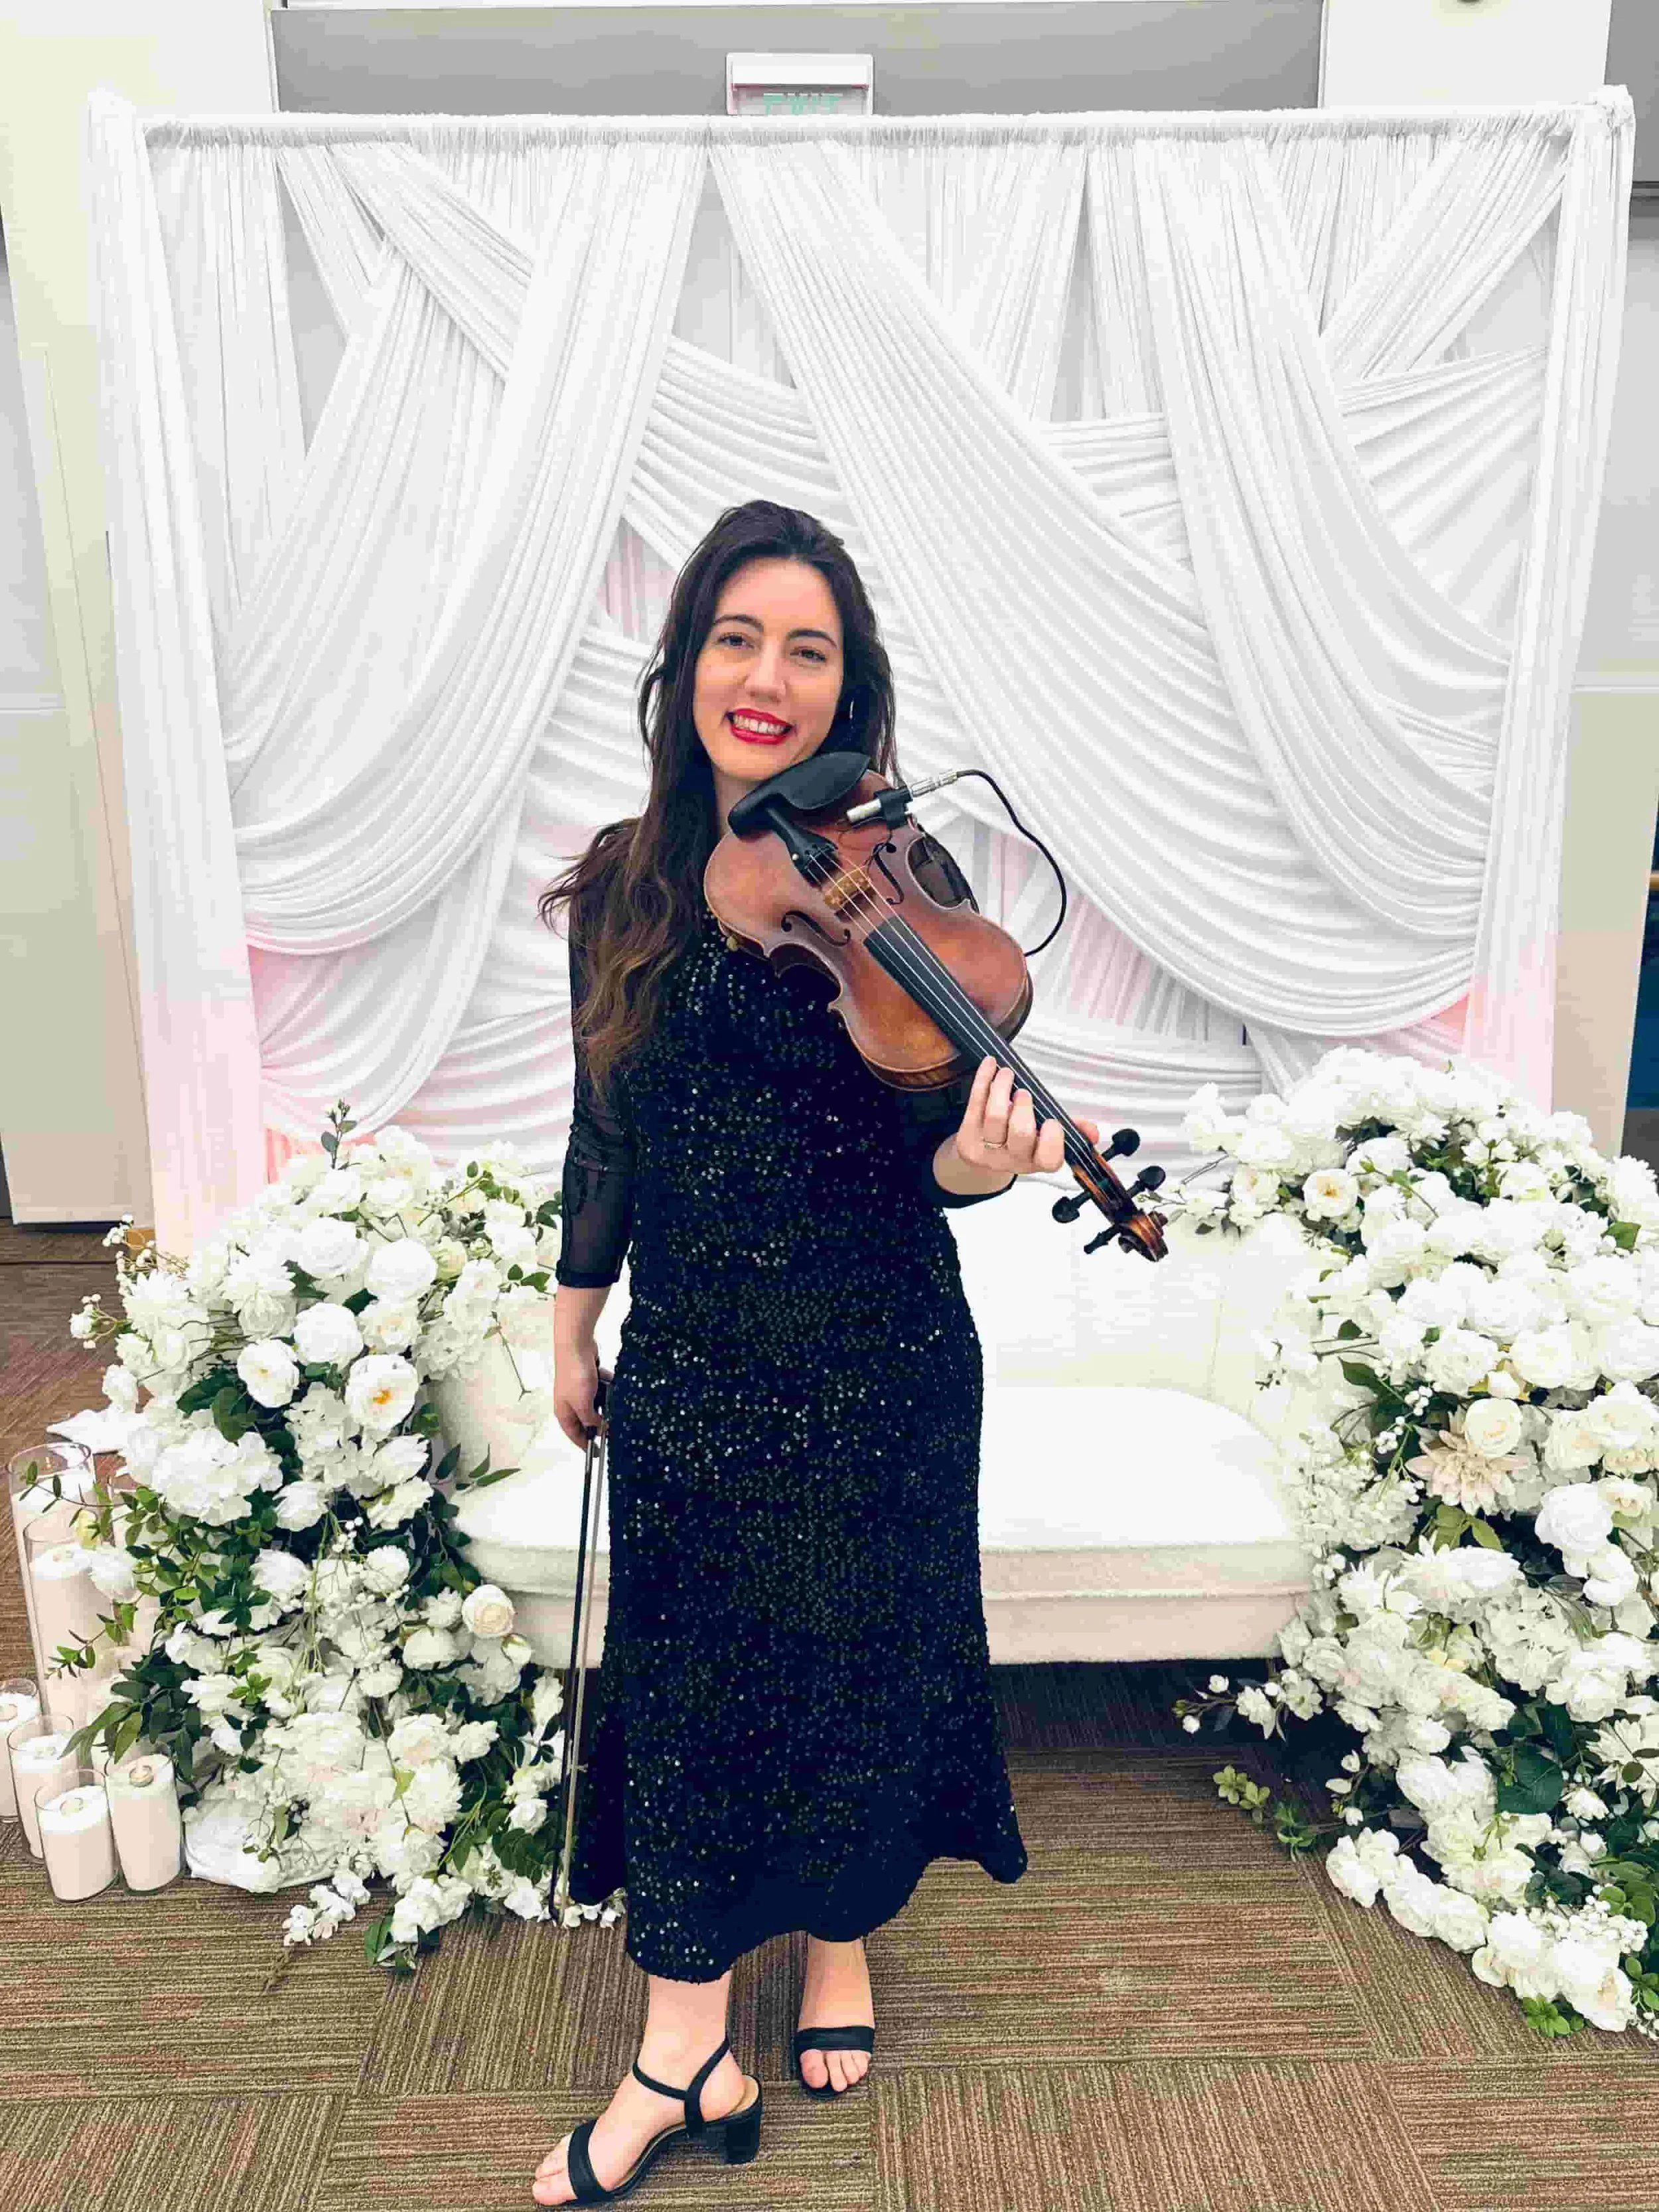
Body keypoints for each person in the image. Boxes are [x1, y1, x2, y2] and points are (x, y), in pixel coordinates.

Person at [532, 500, 1100, 2205]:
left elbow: (919, 1145)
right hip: (699, 1357)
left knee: (859, 1668)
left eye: (807, 648)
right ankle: (688, 2040)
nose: (765, 678)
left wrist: (985, 1159)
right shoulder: (622, 888)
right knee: (698, 1692)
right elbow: (601, 1125)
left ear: (849, 690)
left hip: (877, 1348)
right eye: (736, 637)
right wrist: (571, 1310)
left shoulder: (902, 887)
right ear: (684, 662)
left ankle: (833, 1953)